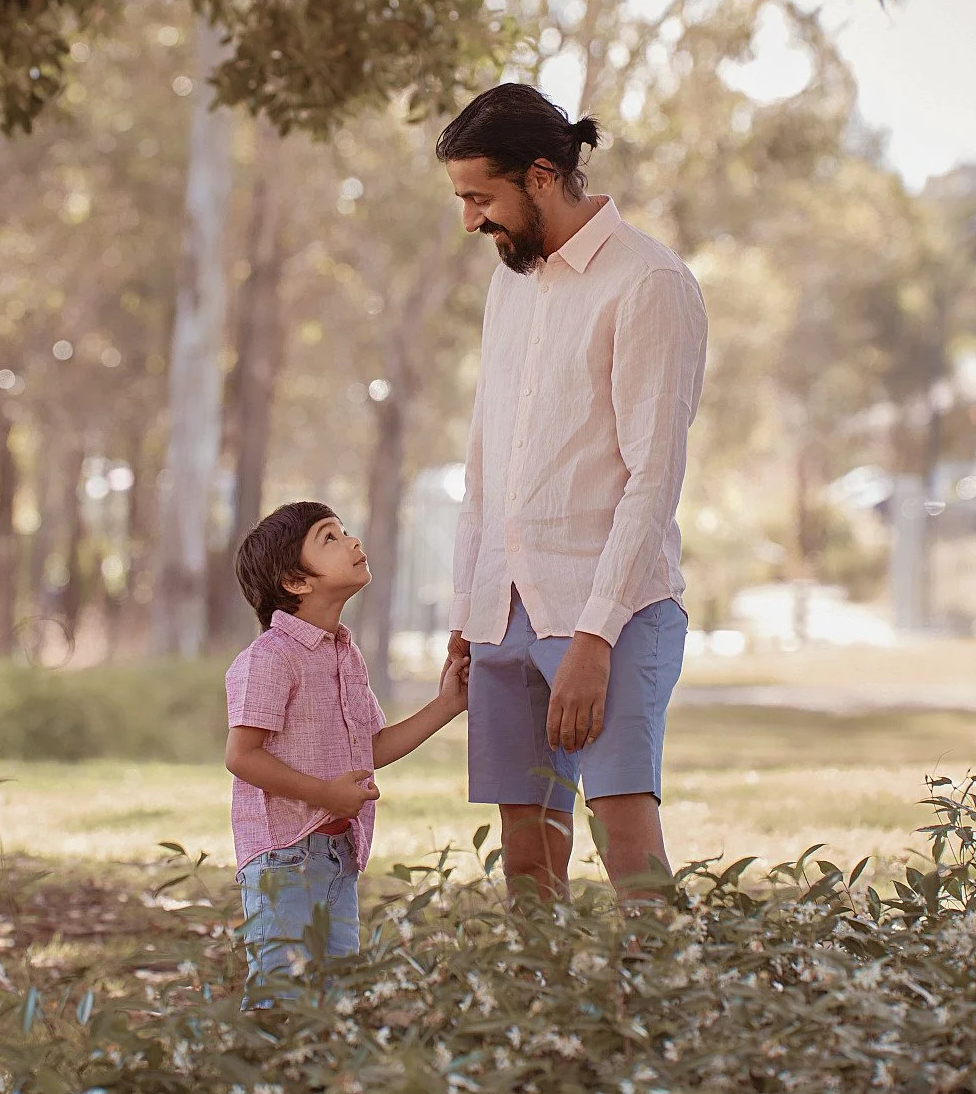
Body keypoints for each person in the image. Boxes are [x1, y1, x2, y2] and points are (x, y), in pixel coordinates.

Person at [438, 83, 707, 901]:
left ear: (543, 176)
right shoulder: (509, 284)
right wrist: (467, 611)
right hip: (504, 610)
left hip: (608, 611)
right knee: (526, 862)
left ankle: (660, 1021)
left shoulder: (649, 282)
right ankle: (541, 1028)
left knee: (627, 849)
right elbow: (486, 463)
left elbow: (652, 479)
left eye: (481, 197)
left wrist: (593, 639)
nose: (469, 220)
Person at [226, 501, 468, 992]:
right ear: (296, 581)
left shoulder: (344, 653)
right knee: (286, 997)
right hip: (284, 858)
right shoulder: (269, 659)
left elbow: (369, 749)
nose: (354, 541)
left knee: (336, 999)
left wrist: (446, 706)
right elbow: (241, 756)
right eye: (329, 538)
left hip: (338, 853)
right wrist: (324, 794)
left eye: (345, 531)